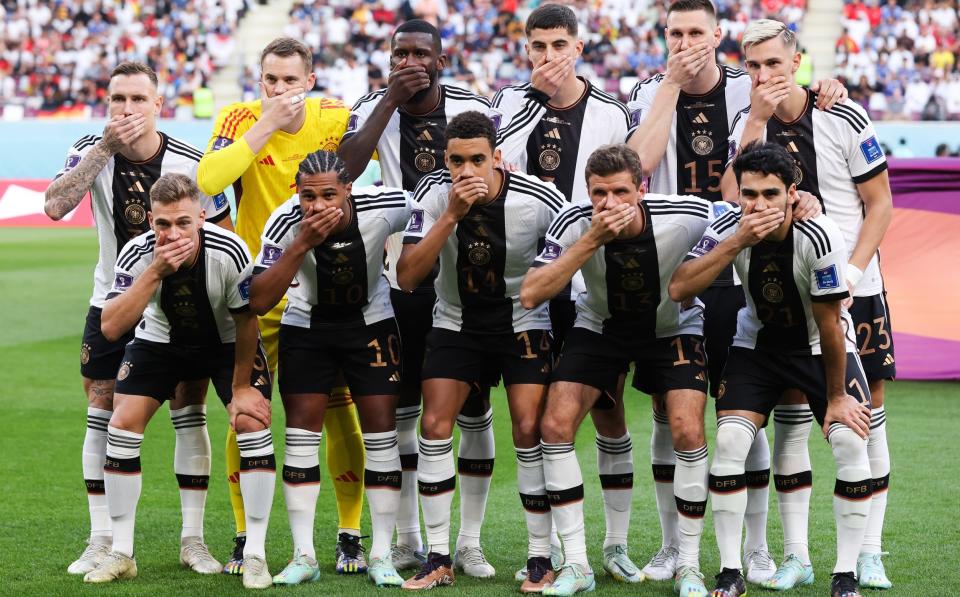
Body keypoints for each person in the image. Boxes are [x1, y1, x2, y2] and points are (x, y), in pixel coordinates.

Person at [624, 0, 845, 583]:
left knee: (740, 416)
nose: (686, 41)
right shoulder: (646, 89)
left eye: (696, 31)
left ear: (717, 35)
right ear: (663, 36)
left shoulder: (753, 88)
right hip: (672, 268)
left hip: (740, 273)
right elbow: (639, 168)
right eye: (675, 32)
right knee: (671, 415)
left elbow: (760, 168)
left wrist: (828, 87)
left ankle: (756, 551)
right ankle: (675, 545)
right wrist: (669, 85)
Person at [722, 20, 894, 590]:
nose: (765, 76)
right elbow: (732, 197)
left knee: (866, 423)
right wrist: (755, 118)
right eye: (754, 66)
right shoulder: (748, 124)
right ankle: (796, 554)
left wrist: (845, 275)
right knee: (793, 424)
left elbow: (881, 206)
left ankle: (869, 552)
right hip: (784, 296)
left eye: (774, 63)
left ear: (796, 60)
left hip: (854, 287)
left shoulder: (842, 113)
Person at [43, 61, 232, 577]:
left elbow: (225, 237)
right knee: (101, 404)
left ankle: (192, 540)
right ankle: (101, 537)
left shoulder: (191, 163)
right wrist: (105, 146)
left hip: (179, 307)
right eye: (117, 99)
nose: (126, 110)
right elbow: (55, 206)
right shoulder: (90, 150)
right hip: (113, 297)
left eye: (137, 100)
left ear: (158, 105)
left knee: (187, 405)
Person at [670, 141, 873, 597]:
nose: (758, 205)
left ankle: (846, 576)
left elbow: (829, 322)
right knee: (729, 440)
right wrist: (739, 238)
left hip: (820, 349)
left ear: (792, 193)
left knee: (848, 441)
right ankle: (730, 572)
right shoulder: (727, 222)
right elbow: (680, 286)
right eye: (749, 194)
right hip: (756, 347)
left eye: (770, 195)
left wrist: (837, 397)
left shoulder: (819, 235)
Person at [197, 37, 368, 575]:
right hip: (259, 292)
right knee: (244, 413)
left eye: (290, 80)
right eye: (270, 79)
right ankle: (245, 534)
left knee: (339, 413)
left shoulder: (334, 115)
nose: (279, 90)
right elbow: (208, 180)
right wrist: (264, 125)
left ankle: (350, 532)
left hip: (323, 291)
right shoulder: (239, 117)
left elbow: (356, 172)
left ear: (309, 81)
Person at [338, 19, 498, 576]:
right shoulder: (371, 105)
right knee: (406, 411)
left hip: (465, 275)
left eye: (420, 54)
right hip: (399, 274)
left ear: (441, 60)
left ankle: (470, 540)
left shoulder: (471, 106)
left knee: (473, 407)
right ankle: (408, 537)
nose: (409, 62)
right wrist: (388, 102)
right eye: (399, 53)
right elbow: (345, 169)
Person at [521, 144, 718, 596]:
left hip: (672, 327)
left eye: (620, 192)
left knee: (688, 430)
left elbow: (735, 212)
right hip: (601, 327)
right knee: (554, 425)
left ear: (642, 189)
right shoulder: (574, 222)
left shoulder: (686, 214)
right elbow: (532, 293)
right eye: (599, 193)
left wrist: (802, 201)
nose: (609, 203)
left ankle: (688, 565)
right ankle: (578, 564)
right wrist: (592, 238)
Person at [491, 4, 638, 582]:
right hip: (521, 283)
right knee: (535, 419)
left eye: (558, 45)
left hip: (585, 285)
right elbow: (494, 159)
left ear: (579, 48)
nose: (548, 57)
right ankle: (547, 548)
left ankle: (616, 544)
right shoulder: (508, 103)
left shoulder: (609, 112)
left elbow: (623, 192)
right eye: (537, 47)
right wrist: (533, 98)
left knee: (606, 407)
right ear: (525, 51)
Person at [396, 111, 564, 592]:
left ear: (497, 158)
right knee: (433, 425)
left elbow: (571, 260)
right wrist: (450, 214)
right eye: (456, 161)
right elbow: (408, 278)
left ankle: (539, 557)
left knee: (529, 429)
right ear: (445, 160)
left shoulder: (540, 199)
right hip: (455, 322)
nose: (466, 171)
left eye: (476, 160)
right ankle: (439, 555)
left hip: (522, 322)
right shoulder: (431, 195)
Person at [81, 173, 274, 590]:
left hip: (225, 342)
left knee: (251, 425)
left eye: (183, 223)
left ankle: (251, 553)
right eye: (163, 224)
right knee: (121, 423)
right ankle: (122, 551)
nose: (173, 233)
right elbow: (112, 326)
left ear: (202, 217)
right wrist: (155, 270)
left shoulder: (231, 250)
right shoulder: (136, 254)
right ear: (150, 220)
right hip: (161, 340)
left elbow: (246, 321)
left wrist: (241, 388)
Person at [248, 150, 413, 588]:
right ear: (295, 194)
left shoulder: (386, 206)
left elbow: (429, 204)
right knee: (300, 437)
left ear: (349, 191)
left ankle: (380, 553)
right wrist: (301, 242)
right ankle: (304, 555)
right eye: (308, 196)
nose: (318, 206)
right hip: (308, 327)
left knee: (381, 434)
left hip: (371, 324)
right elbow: (259, 299)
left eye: (328, 195)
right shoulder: (284, 223)